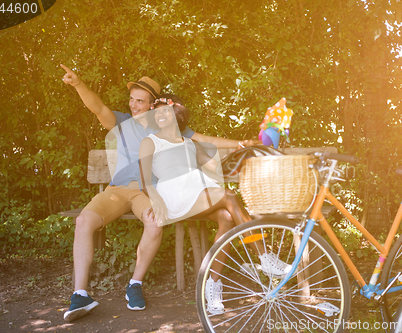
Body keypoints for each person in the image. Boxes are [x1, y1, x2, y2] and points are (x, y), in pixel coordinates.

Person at [60, 65, 261, 322]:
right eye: (131, 100)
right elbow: (98, 107)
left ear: (153, 105)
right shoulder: (122, 122)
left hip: (146, 191)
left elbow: (203, 139)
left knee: (155, 223)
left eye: (140, 101)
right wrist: (78, 84)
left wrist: (240, 144)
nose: (134, 106)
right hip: (117, 190)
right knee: (83, 221)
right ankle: (80, 294)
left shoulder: (166, 127)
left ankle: (135, 284)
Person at [139, 95, 292, 315]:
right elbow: (145, 181)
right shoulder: (150, 142)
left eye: (166, 111)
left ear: (177, 115)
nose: (160, 115)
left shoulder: (190, 143)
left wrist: (245, 149)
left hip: (195, 192)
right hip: (172, 195)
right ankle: (264, 257)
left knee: (227, 218)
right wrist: (157, 200)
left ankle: (212, 287)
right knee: (229, 197)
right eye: (157, 112)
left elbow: (216, 169)